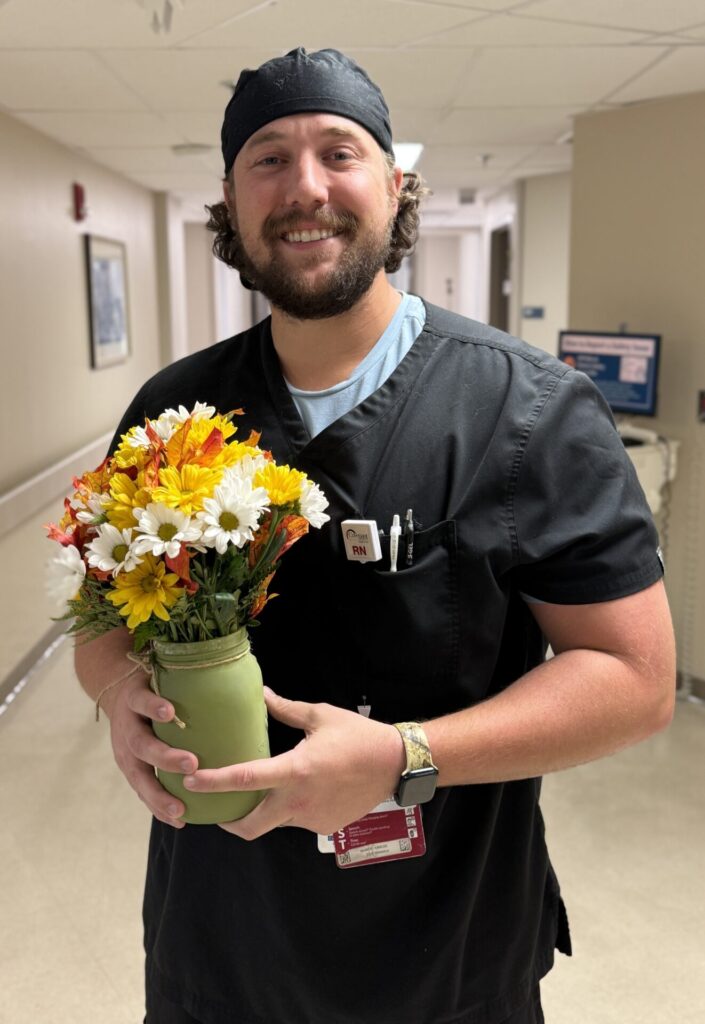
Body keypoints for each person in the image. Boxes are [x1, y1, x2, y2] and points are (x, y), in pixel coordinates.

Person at [74, 47, 675, 1024]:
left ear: (395, 188)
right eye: (267, 158)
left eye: (338, 152)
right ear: (230, 200)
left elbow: (635, 677)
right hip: (220, 941)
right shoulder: (173, 409)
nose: (304, 186)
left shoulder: (529, 411)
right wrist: (117, 694)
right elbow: (101, 616)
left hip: (446, 947)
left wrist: (405, 755)